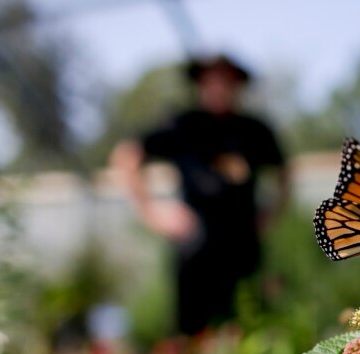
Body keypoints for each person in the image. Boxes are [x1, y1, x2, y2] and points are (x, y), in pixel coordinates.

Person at [110, 53, 289, 338]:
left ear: (236, 83)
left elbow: (284, 173)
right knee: (194, 336)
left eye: (224, 79)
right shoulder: (184, 126)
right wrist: (153, 213)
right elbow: (127, 156)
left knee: (250, 330)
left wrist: (271, 213)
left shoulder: (254, 131)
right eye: (210, 79)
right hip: (196, 251)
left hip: (243, 248)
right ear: (200, 84)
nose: (217, 86)